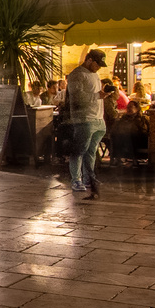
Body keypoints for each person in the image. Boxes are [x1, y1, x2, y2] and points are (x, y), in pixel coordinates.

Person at [65, 50, 107, 199]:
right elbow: (76, 96)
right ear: (89, 60)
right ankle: (76, 179)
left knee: (91, 151)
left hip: (97, 119)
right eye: (97, 64)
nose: (99, 68)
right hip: (84, 119)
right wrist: (97, 96)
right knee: (80, 150)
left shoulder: (95, 75)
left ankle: (89, 177)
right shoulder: (77, 74)